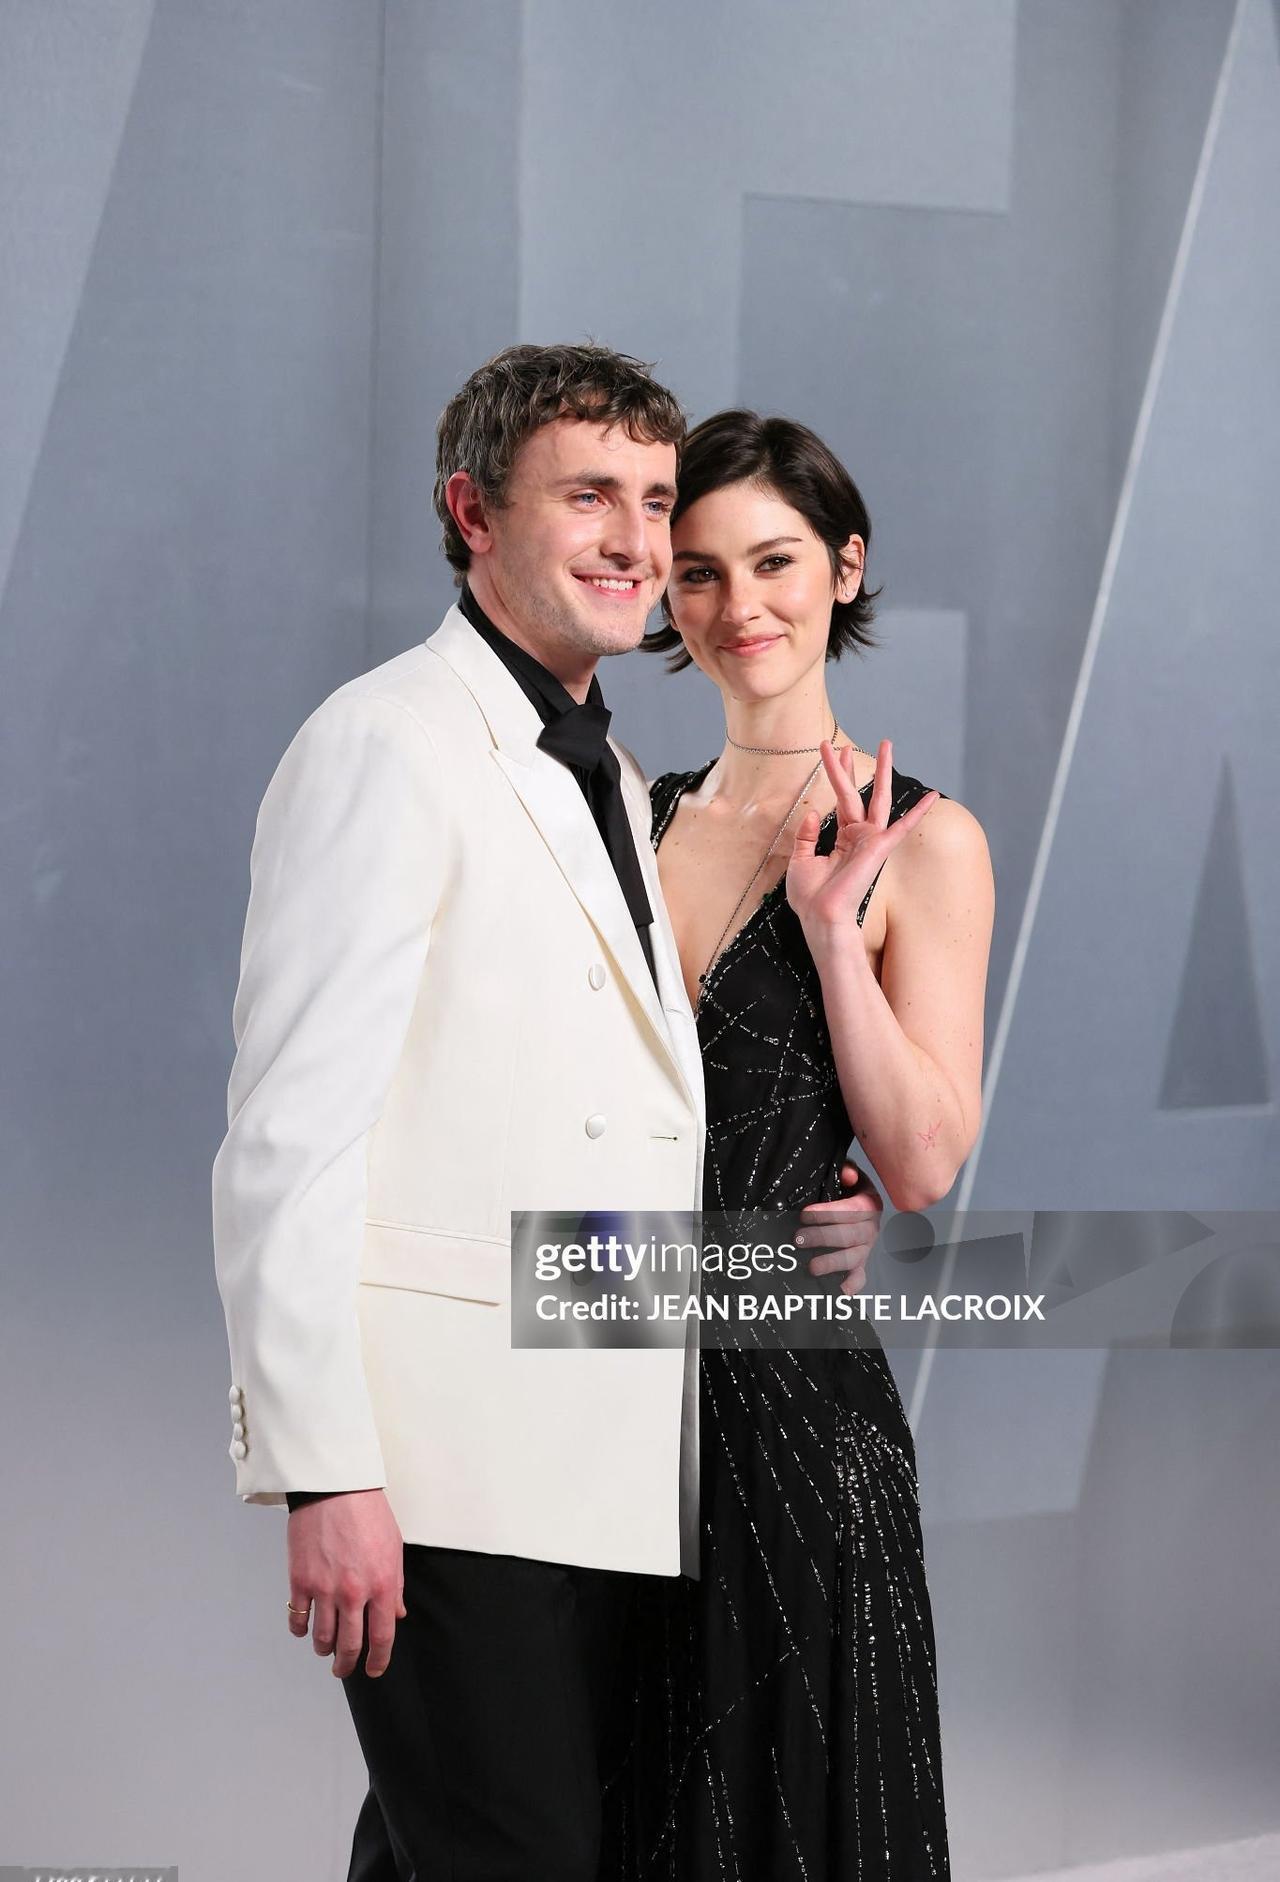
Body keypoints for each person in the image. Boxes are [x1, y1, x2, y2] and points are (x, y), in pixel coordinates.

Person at [211, 346, 886, 1882]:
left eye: (654, 500)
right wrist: (326, 1468)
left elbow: (605, 1095)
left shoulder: (618, 775)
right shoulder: (386, 742)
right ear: (472, 513)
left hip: (607, 1456)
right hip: (447, 1469)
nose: (637, 541)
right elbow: (287, 1141)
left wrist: (799, 1197)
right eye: (590, 496)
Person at [633, 409, 995, 1880]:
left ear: (845, 568)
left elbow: (923, 1163)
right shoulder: (629, 818)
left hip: (790, 1417)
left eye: (775, 561)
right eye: (700, 571)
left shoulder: (928, 838)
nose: (741, 606)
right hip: (606, 1393)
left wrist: (836, 933)